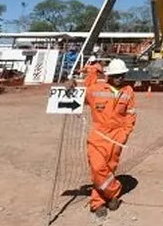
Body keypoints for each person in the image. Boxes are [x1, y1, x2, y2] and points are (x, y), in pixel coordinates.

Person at [67, 58, 136, 218]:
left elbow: (131, 115)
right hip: (98, 135)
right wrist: (71, 84)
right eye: (116, 75)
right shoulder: (95, 89)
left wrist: (125, 133)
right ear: (109, 75)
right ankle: (114, 192)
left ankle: (98, 202)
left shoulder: (128, 91)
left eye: (122, 75)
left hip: (117, 136)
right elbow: (78, 94)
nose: (119, 78)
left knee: (110, 169)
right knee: (98, 168)